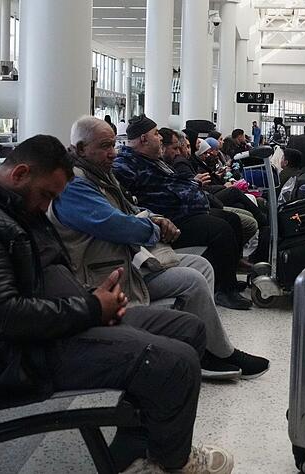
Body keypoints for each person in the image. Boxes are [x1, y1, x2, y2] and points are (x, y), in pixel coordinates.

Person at [0, 134, 234, 474]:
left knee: (187, 328)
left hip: (55, 332)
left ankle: (140, 444)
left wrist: (92, 298)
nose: (47, 206)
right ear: (19, 174)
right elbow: (2, 316)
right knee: (176, 362)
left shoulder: (11, 208)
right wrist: (91, 308)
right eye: (46, 195)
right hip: (18, 359)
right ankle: (171, 463)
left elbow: (43, 279)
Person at [51, 116, 269, 379]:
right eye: (106, 146)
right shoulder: (76, 185)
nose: (113, 152)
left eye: (113, 144)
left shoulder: (101, 175)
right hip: (104, 275)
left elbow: (130, 208)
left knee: (201, 264)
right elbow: (116, 224)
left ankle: (206, 345)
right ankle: (218, 353)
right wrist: (154, 228)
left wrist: (154, 217)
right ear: (82, 148)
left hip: (125, 262)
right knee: (193, 277)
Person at [113, 115, 253, 310]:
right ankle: (223, 290)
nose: (160, 138)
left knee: (232, 220)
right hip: (171, 220)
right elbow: (130, 200)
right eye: (156, 134)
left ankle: (226, 278)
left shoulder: (152, 160)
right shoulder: (125, 165)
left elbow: (173, 181)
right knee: (221, 230)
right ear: (144, 139)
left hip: (186, 212)